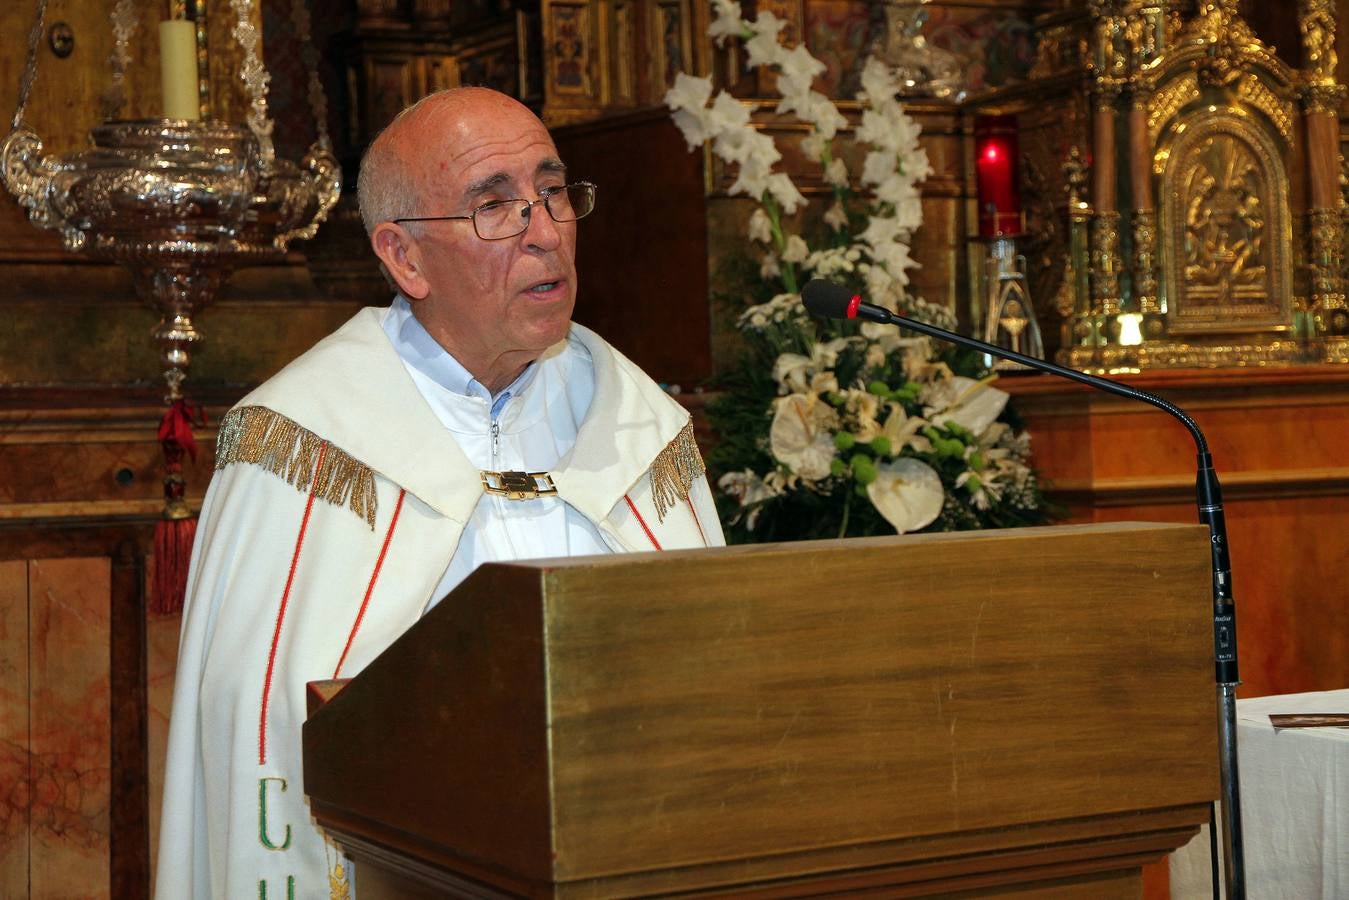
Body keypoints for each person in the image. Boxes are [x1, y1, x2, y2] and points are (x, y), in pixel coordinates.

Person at [155, 87, 724, 899]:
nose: (544, 231)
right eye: (493, 206)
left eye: (552, 192)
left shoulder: (642, 431)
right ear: (404, 257)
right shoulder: (304, 445)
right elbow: (263, 737)